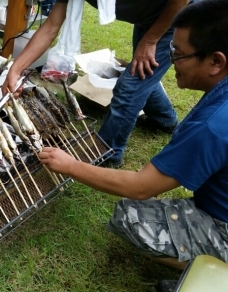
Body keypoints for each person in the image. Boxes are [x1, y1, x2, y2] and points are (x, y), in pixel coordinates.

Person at [38, 0, 228, 270]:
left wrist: (70, 166)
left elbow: (140, 187)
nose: (170, 59)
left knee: (130, 217)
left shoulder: (213, 124)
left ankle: (214, 269)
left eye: (178, 53)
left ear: (215, 61)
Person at [4, 0, 194, 168]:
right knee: (142, 71)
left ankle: (107, 153)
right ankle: (165, 120)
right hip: (148, 17)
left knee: (130, 85)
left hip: (176, 15)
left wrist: (151, 40)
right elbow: (51, 26)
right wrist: (15, 70)